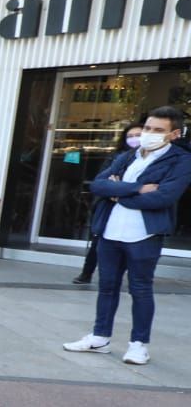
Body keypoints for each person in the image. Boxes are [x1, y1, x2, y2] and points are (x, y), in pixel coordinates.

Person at [63, 106, 190, 366]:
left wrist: (118, 194)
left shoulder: (181, 160)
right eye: (147, 128)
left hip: (143, 234)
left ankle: (138, 345)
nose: (149, 134)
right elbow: (98, 184)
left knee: (140, 289)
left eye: (158, 130)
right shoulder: (128, 156)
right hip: (109, 232)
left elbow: (164, 196)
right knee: (107, 287)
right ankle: (99, 338)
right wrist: (137, 189)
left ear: (174, 134)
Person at [73, 122, 144, 284]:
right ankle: (86, 273)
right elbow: (102, 182)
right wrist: (119, 189)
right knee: (98, 240)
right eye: (130, 136)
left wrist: (120, 188)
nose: (134, 139)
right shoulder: (117, 157)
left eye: (138, 135)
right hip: (109, 205)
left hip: (134, 207)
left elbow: (146, 186)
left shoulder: (149, 160)